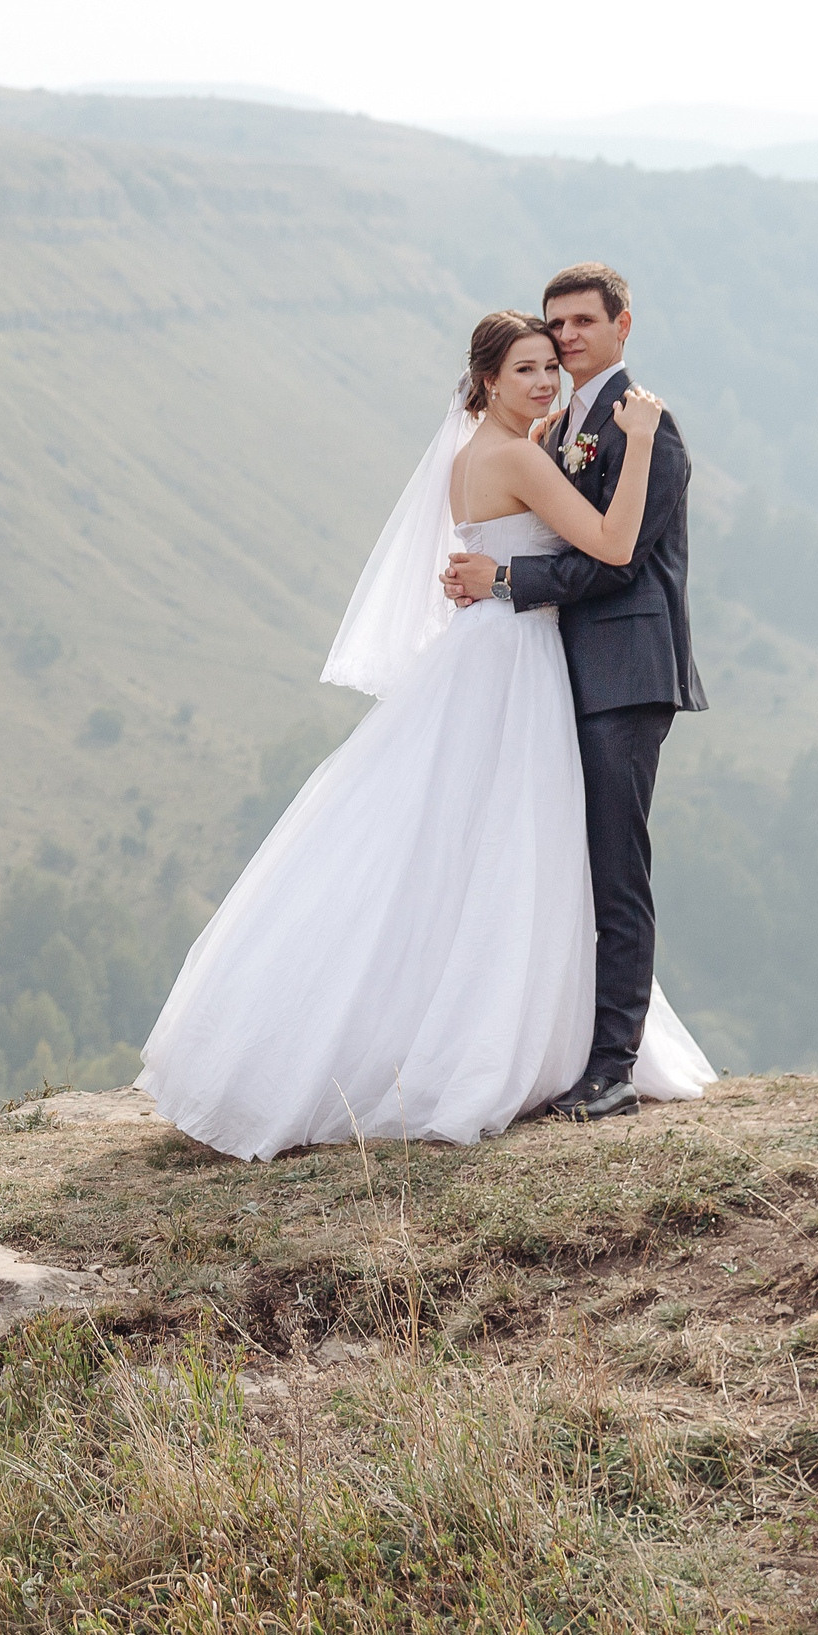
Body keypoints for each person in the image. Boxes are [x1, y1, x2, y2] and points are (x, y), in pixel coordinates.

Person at [136, 304, 712, 1161]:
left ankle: (484, 1033)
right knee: (513, 848)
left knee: (462, 849)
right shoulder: (517, 452)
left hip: (491, 651)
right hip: (515, 660)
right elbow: (614, 541)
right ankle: (511, 1044)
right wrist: (637, 440)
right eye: (527, 369)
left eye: (551, 366)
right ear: (487, 380)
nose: (546, 381)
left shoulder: (475, 452)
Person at [442, 263, 709, 1120]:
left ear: (623, 324)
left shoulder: (648, 432)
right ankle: (568, 1047)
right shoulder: (559, 429)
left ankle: (614, 1067)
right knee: (570, 864)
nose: (566, 339)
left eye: (583, 322)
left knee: (616, 869)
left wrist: (503, 579)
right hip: (564, 675)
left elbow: (614, 557)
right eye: (556, 325)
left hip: (627, 674)